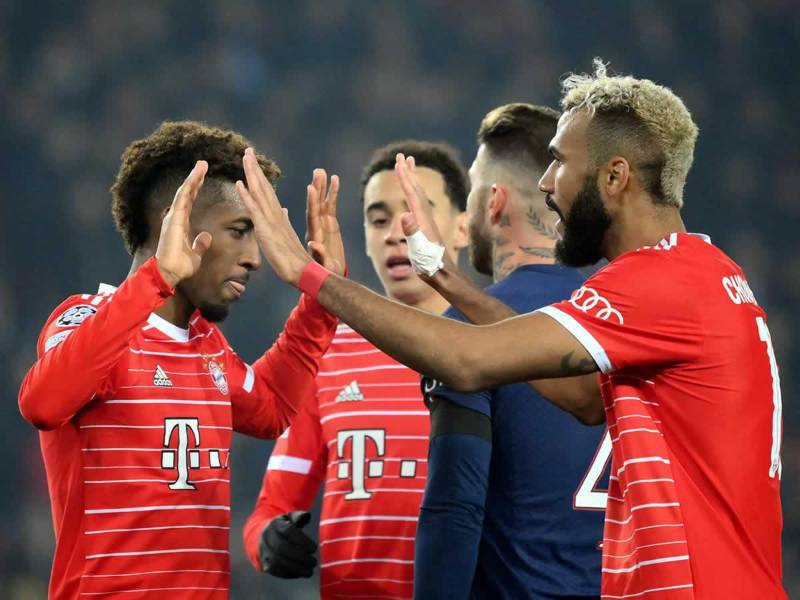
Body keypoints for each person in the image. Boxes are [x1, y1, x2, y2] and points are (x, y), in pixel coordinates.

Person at [233, 60, 787, 599]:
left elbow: (468, 362)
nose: (545, 184)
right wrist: (446, 278)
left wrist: (308, 276)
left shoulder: (654, 284)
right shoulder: (704, 270)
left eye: (559, 163)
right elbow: (582, 398)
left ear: (614, 176)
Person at [17, 121, 343, 600]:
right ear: (180, 220)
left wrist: (321, 299)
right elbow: (42, 403)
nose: (255, 258)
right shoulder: (86, 317)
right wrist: (156, 279)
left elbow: (270, 406)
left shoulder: (205, 345)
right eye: (239, 231)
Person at [242, 140, 469, 599]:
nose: (394, 233)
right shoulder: (325, 356)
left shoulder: (505, 347)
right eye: (378, 219)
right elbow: (272, 507)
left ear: (464, 228)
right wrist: (269, 539)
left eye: (415, 212)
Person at [414, 103, 607, 600]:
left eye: (473, 190)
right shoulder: (623, 318)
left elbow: (455, 508)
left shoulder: (468, 331)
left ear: (494, 202)